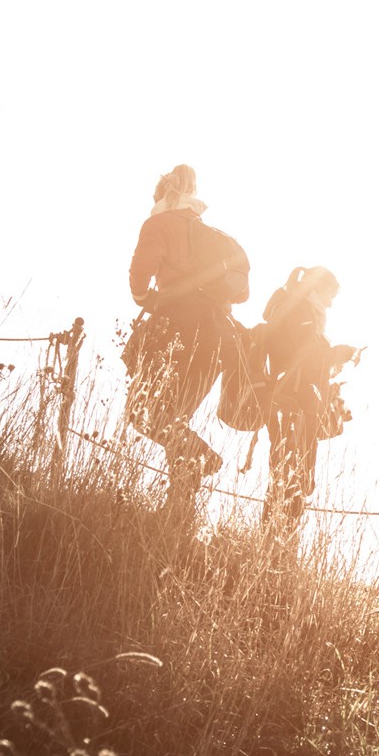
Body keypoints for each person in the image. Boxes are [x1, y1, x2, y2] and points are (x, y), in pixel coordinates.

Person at [125, 164, 244, 518]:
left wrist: (145, 299)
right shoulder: (214, 237)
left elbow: (140, 273)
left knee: (143, 412)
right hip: (216, 339)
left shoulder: (159, 224)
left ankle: (202, 459)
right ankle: (178, 512)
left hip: (175, 330)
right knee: (175, 419)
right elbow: (240, 292)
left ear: (163, 195)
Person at [255, 266, 358, 534]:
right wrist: (338, 353)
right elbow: (305, 355)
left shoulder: (297, 308)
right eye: (330, 294)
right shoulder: (300, 310)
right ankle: (278, 542)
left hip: (290, 400)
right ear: (317, 287)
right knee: (290, 473)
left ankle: (275, 539)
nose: (331, 303)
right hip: (293, 403)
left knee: (288, 472)